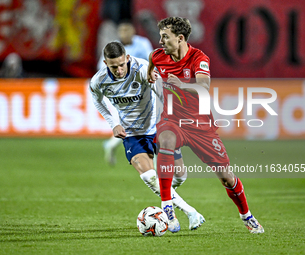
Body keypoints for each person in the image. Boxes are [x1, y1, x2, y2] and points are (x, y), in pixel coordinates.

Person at [147, 17, 264, 234]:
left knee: (227, 178)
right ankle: (167, 207)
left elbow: (204, 85)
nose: (160, 41)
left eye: (165, 37)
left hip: (200, 125)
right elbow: (152, 62)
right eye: (161, 36)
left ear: (180, 38)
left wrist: (181, 84)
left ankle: (247, 216)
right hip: (172, 119)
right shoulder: (158, 56)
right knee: (165, 139)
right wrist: (149, 75)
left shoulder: (199, 58)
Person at [90, 41, 204, 232]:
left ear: (127, 58)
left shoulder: (142, 68)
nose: (118, 70)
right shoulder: (98, 80)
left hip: (158, 127)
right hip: (132, 133)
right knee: (150, 177)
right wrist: (114, 124)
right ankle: (189, 212)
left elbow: (162, 92)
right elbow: (98, 101)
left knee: (179, 176)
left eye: (121, 64)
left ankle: (167, 205)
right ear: (105, 63)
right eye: (113, 66)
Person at [98, 21, 153, 166]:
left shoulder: (142, 44)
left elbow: (151, 63)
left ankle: (111, 145)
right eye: (122, 30)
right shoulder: (113, 47)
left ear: (133, 31)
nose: (124, 33)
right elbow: (101, 67)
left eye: (127, 30)